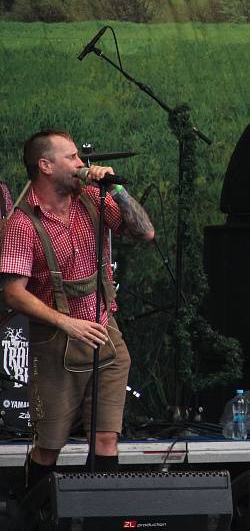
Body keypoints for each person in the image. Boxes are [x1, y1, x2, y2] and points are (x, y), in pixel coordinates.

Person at [0, 130, 154, 490]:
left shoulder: (92, 198)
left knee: (105, 439)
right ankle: (35, 516)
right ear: (46, 165)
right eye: (71, 158)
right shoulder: (23, 224)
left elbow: (145, 233)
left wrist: (116, 188)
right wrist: (67, 323)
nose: (81, 165)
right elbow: (12, 294)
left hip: (104, 331)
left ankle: (103, 513)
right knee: (49, 447)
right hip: (56, 340)